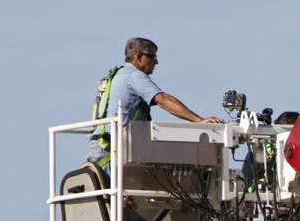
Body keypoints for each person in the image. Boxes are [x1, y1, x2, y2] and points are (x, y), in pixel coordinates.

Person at [89, 37, 223, 165]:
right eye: (152, 57)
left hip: (102, 149)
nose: (156, 62)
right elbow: (163, 100)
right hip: (112, 153)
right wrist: (199, 120)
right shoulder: (134, 76)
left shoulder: (119, 75)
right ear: (138, 56)